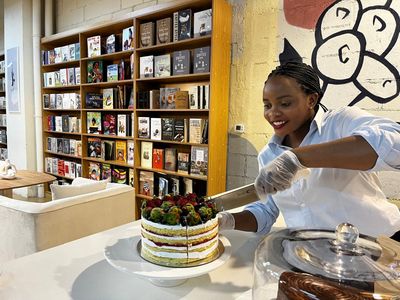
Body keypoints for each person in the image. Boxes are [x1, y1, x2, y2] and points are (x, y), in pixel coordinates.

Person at [218, 61, 400, 238]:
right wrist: (226, 221)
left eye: (285, 103)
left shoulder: (340, 123)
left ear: (311, 100)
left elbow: (395, 144)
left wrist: (297, 158)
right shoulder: (269, 155)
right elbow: (266, 211)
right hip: (313, 257)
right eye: (267, 105)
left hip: (381, 248)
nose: (273, 113)